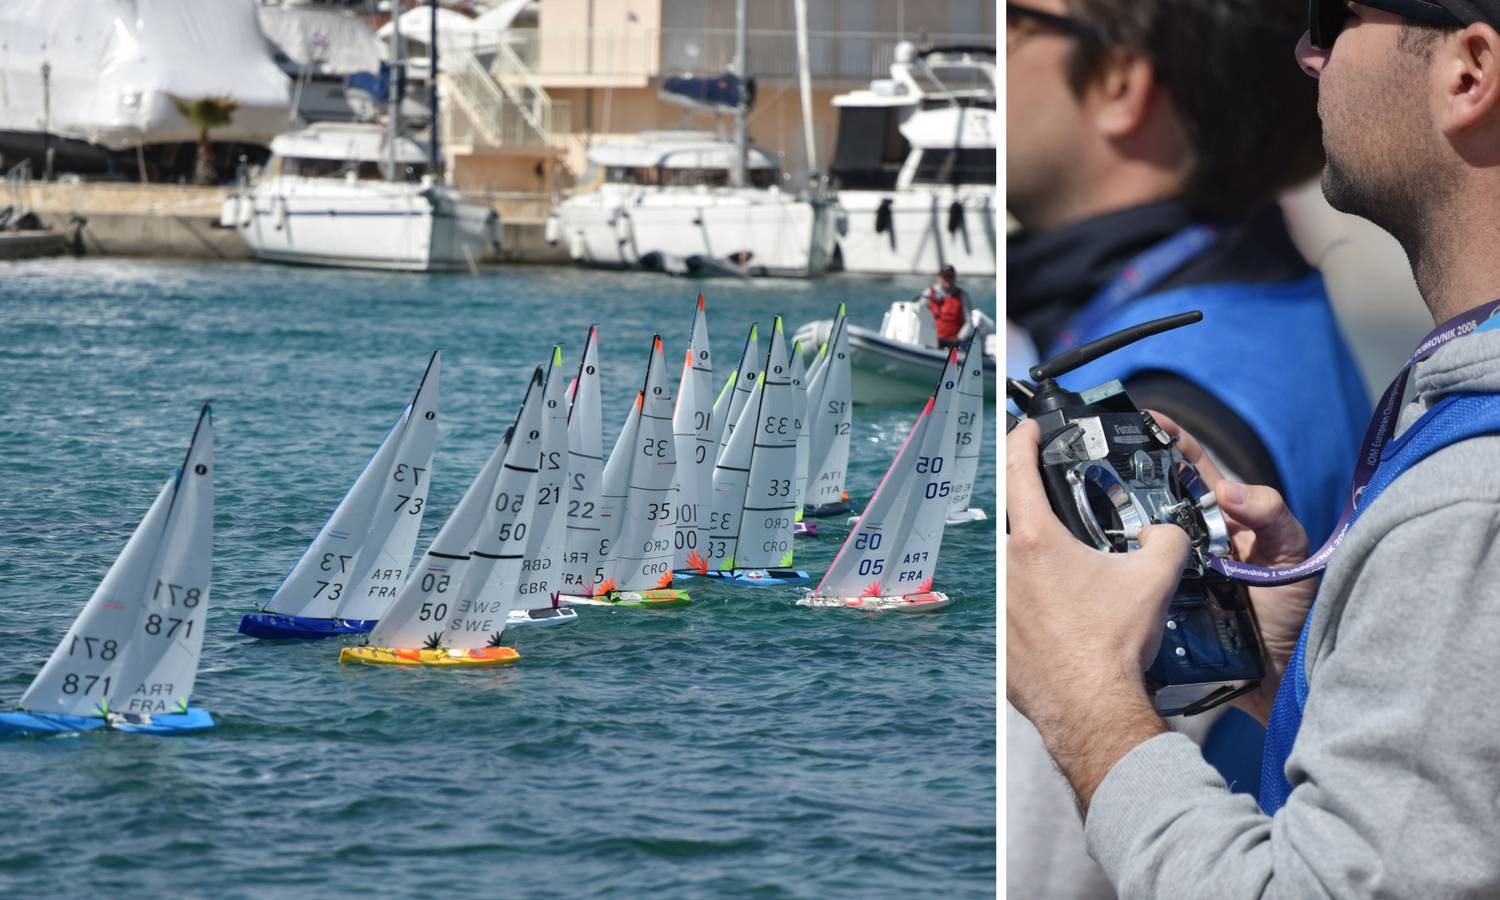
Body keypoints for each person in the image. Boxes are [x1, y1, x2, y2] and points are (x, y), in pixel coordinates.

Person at [1008, 1, 1500, 895]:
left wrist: (1087, 705)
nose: (1307, 50)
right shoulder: (1440, 401)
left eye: (1338, 12)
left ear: (1469, 70)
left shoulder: (1475, 499)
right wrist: (1299, 677)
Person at [921, 264, 970, 347]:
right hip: (932, 340)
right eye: (945, 277)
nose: (948, 280)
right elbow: (920, 312)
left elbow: (969, 321)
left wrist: (959, 338)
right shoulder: (929, 293)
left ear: (954, 278)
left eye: (950, 277)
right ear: (939, 278)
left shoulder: (962, 295)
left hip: (954, 342)